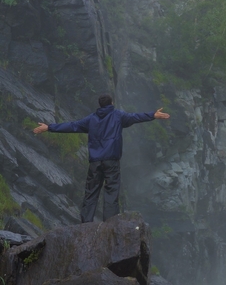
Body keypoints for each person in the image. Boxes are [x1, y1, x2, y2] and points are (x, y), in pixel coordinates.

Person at [33, 94, 170, 223]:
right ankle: (110, 223)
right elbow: (135, 117)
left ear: (100, 105)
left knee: (91, 192)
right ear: (111, 103)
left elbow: (72, 126)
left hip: (95, 161)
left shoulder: (91, 119)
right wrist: (153, 115)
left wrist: (49, 127)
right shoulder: (118, 115)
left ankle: (86, 222)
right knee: (111, 191)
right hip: (111, 160)